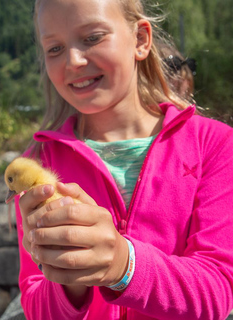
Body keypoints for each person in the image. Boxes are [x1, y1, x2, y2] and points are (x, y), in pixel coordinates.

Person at [13, 0, 233, 319]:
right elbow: (36, 305)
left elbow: (218, 291)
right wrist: (69, 280)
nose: (73, 60)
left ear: (141, 40)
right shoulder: (37, 164)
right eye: (55, 48)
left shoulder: (214, 144)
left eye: (92, 38)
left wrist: (122, 264)